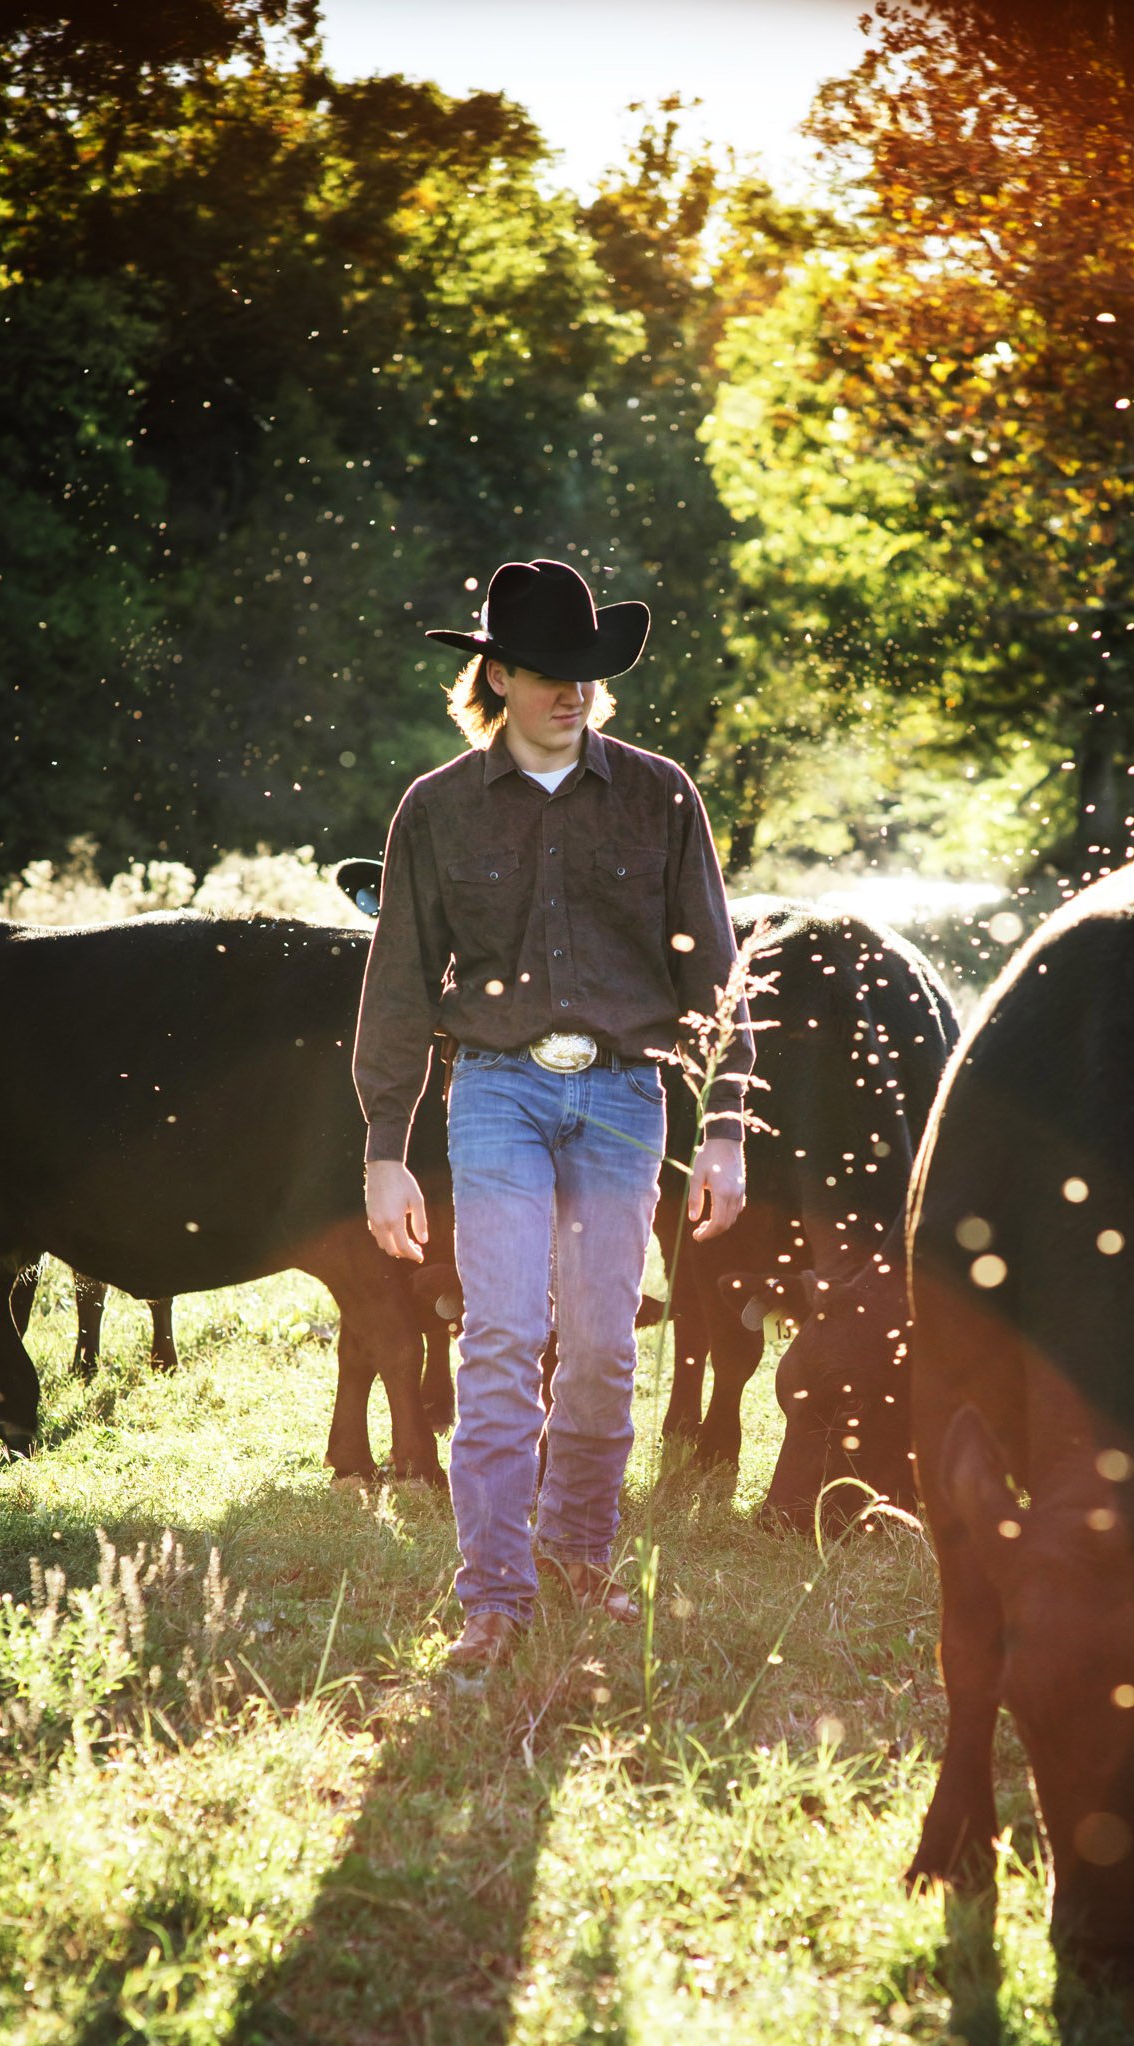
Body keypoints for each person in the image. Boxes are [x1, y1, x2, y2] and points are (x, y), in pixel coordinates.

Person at [354, 558, 750, 1669]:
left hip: (628, 1096)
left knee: (600, 1346)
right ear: (498, 675)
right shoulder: (434, 810)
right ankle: (494, 1593)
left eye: (584, 672)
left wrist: (723, 1125)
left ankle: (578, 1553)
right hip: (497, 1094)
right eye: (542, 672)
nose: (569, 693)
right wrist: (387, 1148)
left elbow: (715, 973)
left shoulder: (661, 792)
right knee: (502, 1335)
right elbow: (396, 984)